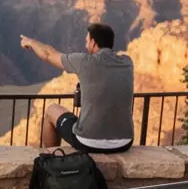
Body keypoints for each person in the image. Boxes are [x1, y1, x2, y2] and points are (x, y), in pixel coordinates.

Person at [20, 23, 134, 153]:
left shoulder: (84, 61)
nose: (85, 45)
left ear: (93, 42)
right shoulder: (127, 62)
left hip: (89, 141)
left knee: (51, 110)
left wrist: (31, 42)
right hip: (124, 142)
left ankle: (52, 159)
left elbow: (48, 54)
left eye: (87, 41)